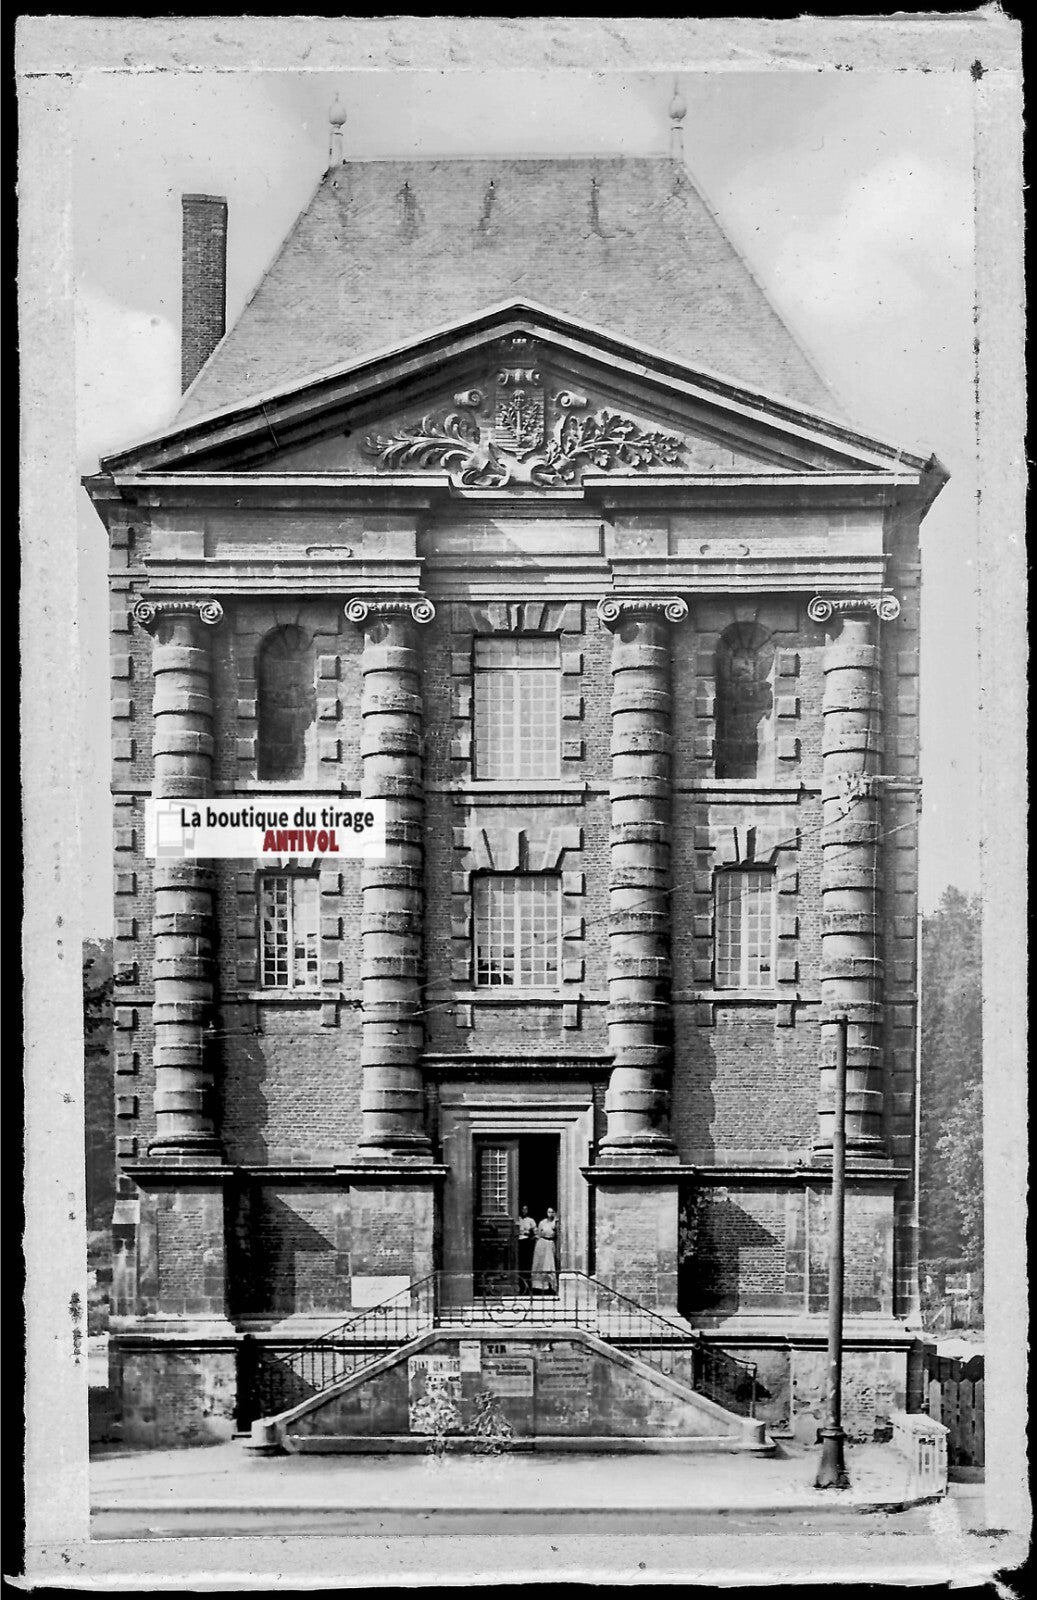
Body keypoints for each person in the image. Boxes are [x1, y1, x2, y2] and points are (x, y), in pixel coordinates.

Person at [531, 1208, 558, 1295]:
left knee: (549, 1265)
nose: (550, 1214)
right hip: (541, 1244)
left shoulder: (555, 1222)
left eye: (552, 1212)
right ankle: (538, 1287)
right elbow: (539, 1233)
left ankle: (551, 1286)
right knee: (539, 1265)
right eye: (548, 1212)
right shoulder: (542, 1222)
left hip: (550, 1244)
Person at [516, 1205, 537, 1292]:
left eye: (526, 1209)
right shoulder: (517, 1219)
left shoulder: (530, 1220)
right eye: (523, 1209)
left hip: (527, 1241)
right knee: (519, 1263)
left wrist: (532, 1238)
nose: (524, 1211)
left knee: (527, 1263)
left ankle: (529, 1286)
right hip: (518, 1242)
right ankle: (520, 1284)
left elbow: (536, 1231)